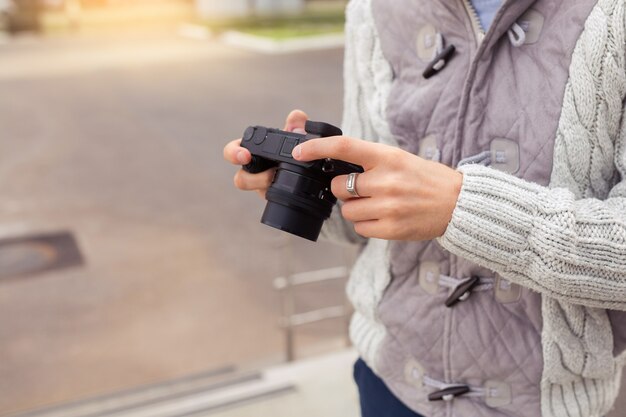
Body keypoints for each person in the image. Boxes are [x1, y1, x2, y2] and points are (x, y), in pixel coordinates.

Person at [224, 0, 626, 416]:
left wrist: (461, 209)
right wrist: (303, 186)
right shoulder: (372, 9)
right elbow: (360, 208)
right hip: (390, 383)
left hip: (545, 403)